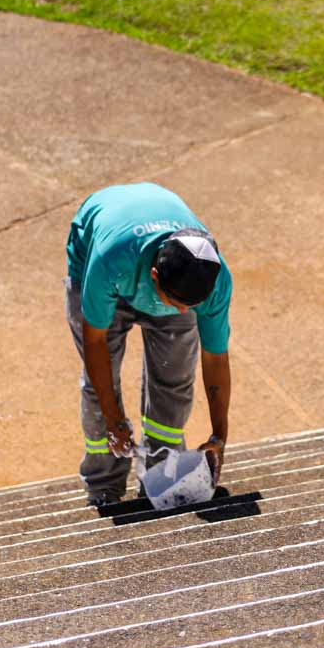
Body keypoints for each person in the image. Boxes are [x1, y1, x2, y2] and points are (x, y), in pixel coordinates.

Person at [64, 183, 233, 508]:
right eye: (176, 302)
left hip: (146, 270)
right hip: (105, 271)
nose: (183, 312)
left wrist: (219, 437)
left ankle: (160, 476)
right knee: (100, 389)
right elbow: (95, 342)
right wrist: (114, 420)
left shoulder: (214, 278)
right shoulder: (110, 260)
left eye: (191, 305)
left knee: (174, 382)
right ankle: (104, 487)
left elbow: (215, 359)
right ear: (154, 276)